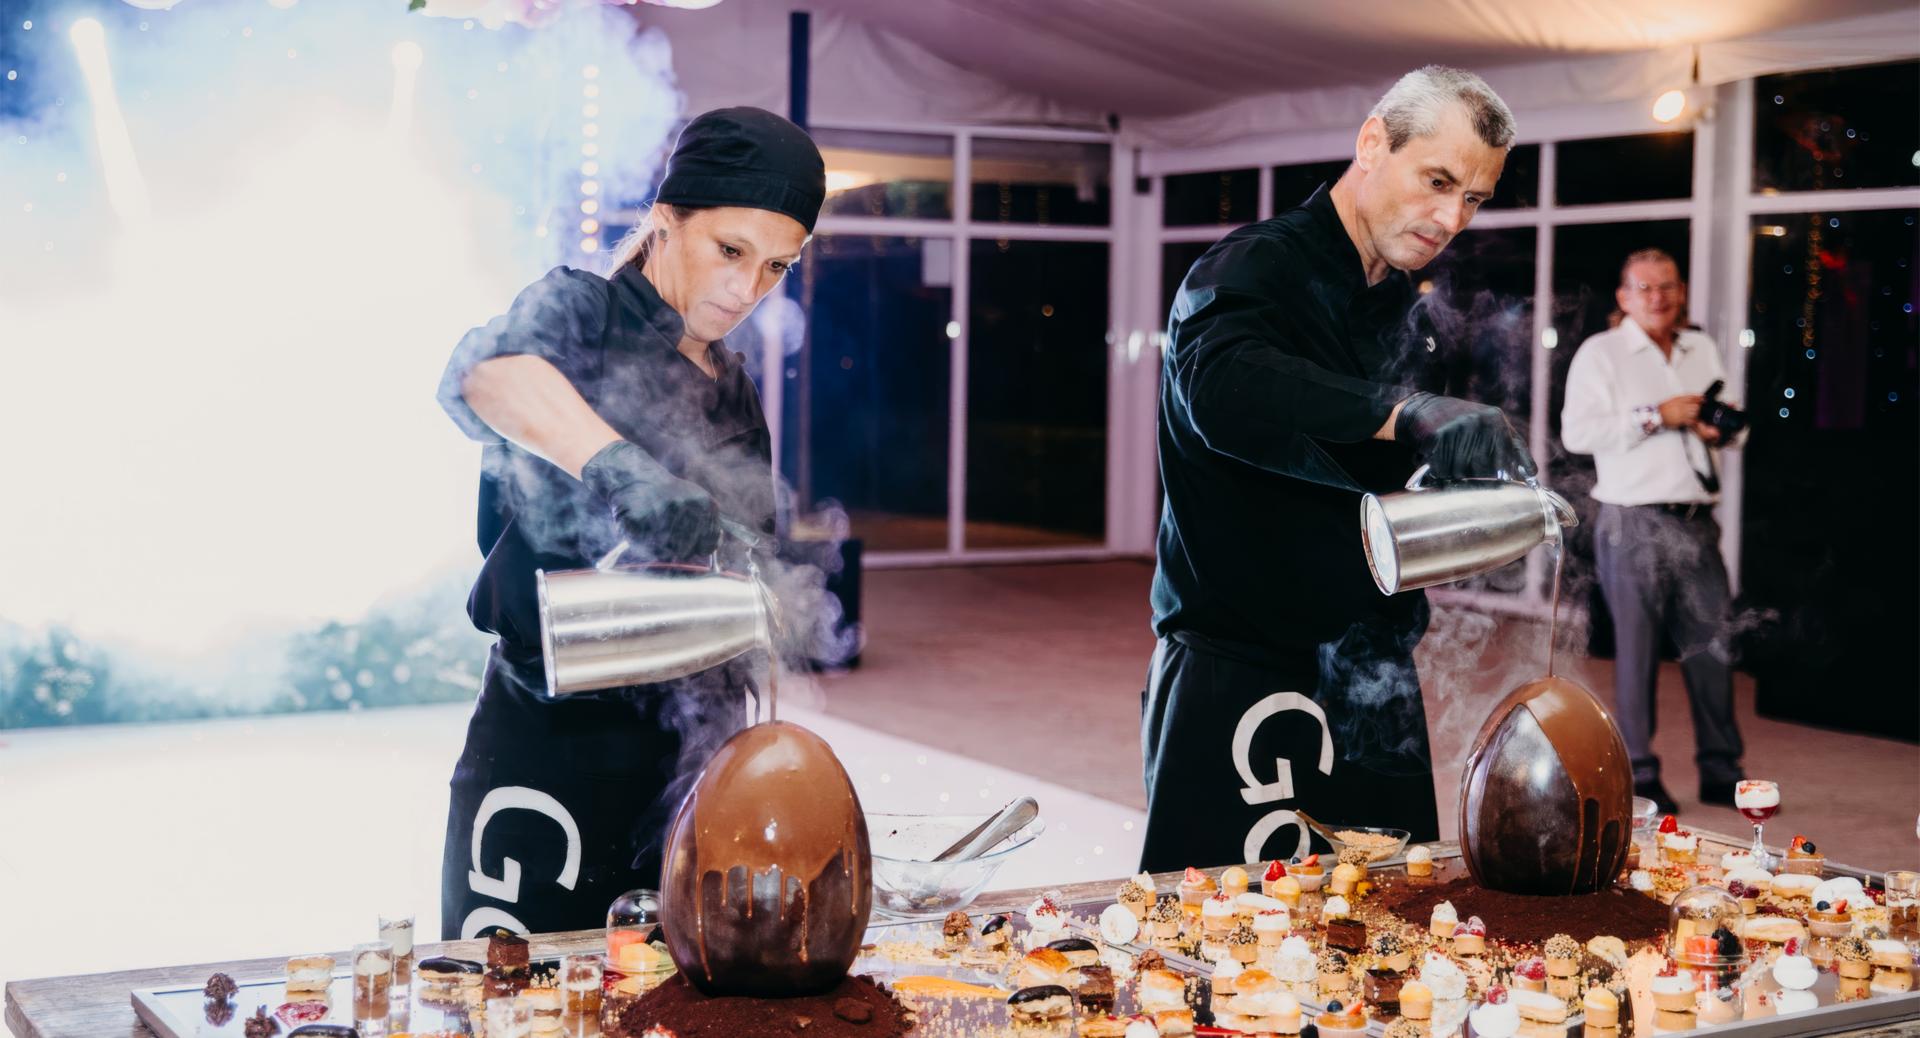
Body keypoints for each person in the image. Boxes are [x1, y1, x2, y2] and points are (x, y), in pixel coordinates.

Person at [433, 107, 823, 938]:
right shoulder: (584, 311)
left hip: (691, 763)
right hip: (549, 757)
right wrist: (621, 470)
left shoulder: (734, 389)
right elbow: (484, 377)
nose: (746, 290)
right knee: (516, 995)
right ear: (666, 220)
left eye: (775, 268)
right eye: (730, 251)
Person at [1141, 66, 1537, 872]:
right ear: (1371, 142)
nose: (1451, 218)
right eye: (1437, 181)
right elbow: (1223, 389)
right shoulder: (1252, 266)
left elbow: (1367, 483)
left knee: (1397, 916)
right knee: (1225, 932)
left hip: (1371, 672)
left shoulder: (1404, 307)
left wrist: (1459, 483)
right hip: (1243, 666)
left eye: (1473, 198)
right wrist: (1405, 411)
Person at [1561, 248, 1746, 814]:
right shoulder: (1602, 352)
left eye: (1667, 286)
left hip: (1696, 521)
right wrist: (1655, 416)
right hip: (1632, 522)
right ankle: (1639, 771)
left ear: (1681, 292)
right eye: (1645, 288)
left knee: (1713, 646)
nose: (1657, 297)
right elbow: (1576, 434)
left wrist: (1720, 432)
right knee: (1637, 652)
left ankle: (1721, 768)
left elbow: (1735, 427)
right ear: (1624, 297)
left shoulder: (1700, 348)